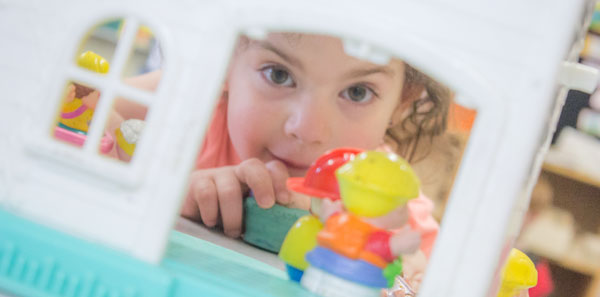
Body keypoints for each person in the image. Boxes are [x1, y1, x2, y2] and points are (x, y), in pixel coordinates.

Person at [116, 33, 450, 258]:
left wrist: (394, 277)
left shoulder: (390, 205)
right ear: (224, 60)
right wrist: (168, 189)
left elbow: (419, 284)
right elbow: (77, 101)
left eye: (358, 92)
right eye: (278, 74)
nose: (308, 129)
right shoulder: (194, 103)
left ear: (401, 103)